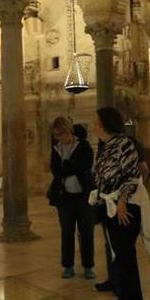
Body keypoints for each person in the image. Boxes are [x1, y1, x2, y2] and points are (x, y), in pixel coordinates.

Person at [92, 107, 144, 300]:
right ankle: (124, 296)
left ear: (105, 123)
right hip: (109, 206)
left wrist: (122, 201)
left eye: (96, 122)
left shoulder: (124, 144)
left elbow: (132, 176)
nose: (94, 125)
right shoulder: (106, 146)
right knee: (119, 255)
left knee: (126, 255)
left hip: (124, 208)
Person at [50, 117, 95, 279]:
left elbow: (86, 165)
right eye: (58, 136)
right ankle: (68, 266)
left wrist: (67, 166)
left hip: (83, 196)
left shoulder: (83, 146)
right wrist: (70, 167)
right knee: (67, 232)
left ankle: (88, 266)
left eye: (64, 134)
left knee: (86, 232)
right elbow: (56, 171)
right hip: (65, 198)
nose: (62, 138)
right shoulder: (56, 149)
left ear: (70, 131)